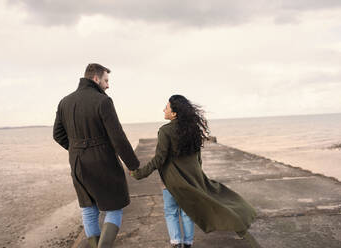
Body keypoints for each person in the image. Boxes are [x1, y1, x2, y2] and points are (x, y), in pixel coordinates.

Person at [130, 95, 260, 248]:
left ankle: (176, 243)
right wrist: (198, 177)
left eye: (167, 107)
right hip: (192, 180)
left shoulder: (165, 131)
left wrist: (140, 173)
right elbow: (198, 158)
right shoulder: (193, 129)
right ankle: (187, 244)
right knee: (187, 211)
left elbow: (159, 158)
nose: (163, 110)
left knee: (171, 211)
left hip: (172, 182)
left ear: (175, 113)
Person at [53, 63, 140, 248]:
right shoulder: (103, 101)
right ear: (95, 78)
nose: (108, 85)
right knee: (114, 208)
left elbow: (57, 134)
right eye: (106, 80)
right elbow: (118, 138)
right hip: (103, 162)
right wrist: (133, 165)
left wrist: (77, 149)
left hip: (77, 163)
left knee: (88, 209)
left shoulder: (64, 102)